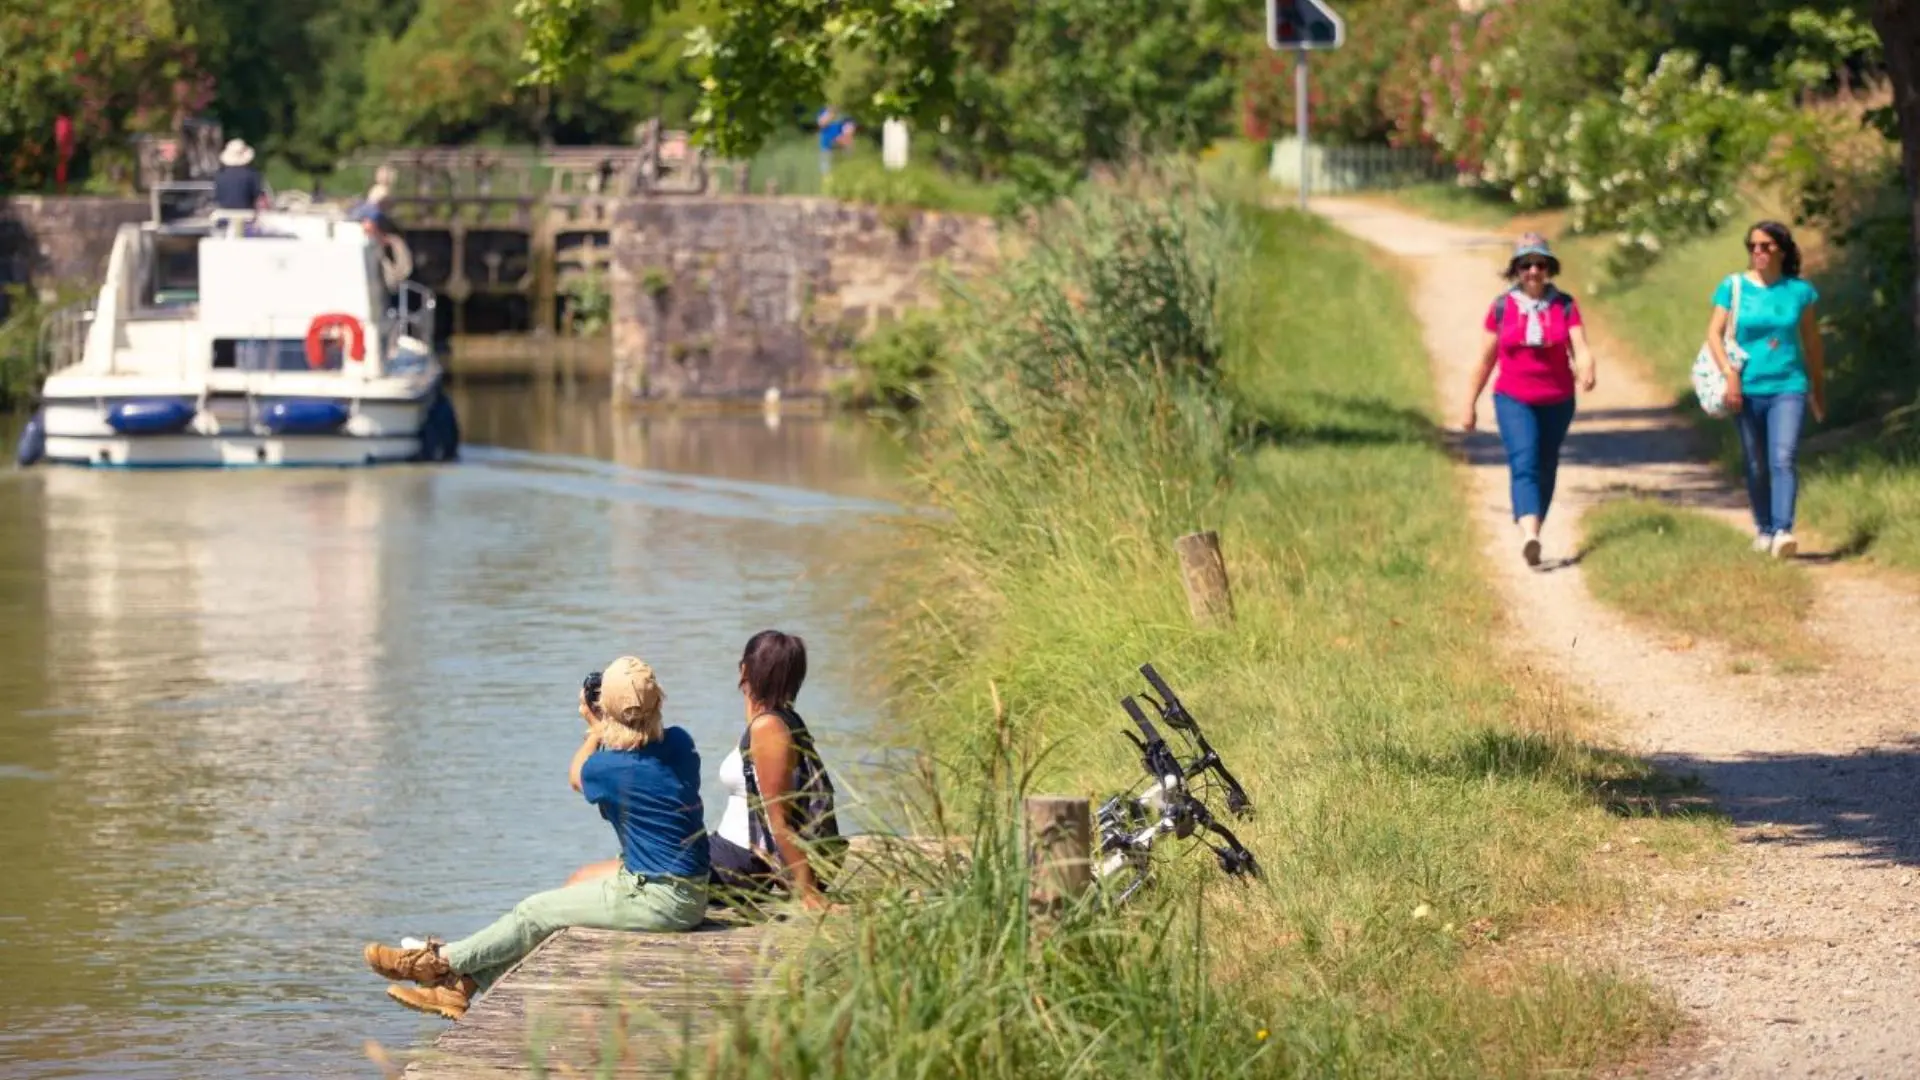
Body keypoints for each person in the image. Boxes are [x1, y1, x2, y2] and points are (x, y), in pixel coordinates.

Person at [361, 657, 710, 1020]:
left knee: (534, 913)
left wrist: (593, 732)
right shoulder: (680, 744)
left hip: (662, 899)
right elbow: (637, 751)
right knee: (566, 894)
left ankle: (437, 961)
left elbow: (578, 775)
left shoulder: (611, 769)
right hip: (677, 886)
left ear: (606, 712)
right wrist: (610, 726)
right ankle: (457, 991)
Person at [1459, 233, 1598, 567]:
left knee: (1546, 463)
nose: (1533, 271)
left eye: (1539, 264)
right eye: (1526, 265)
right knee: (1524, 461)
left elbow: (1580, 346)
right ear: (1516, 270)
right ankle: (1530, 535)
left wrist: (1586, 368)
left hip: (1558, 399)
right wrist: (1469, 403)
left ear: (1548, 267)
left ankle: (1533, 523)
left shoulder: (1564, 305)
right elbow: (1484, 359)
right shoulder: (1501, 308)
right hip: (1513, 398)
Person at [1703, 221, 1826, 559]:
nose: (1758, 252)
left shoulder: (1800, 291)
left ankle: (1783, 530)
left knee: (1782, 457)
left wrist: (1818, 387)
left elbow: (1812, 343)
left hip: (1789, 385)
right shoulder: (1733, 286)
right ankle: (1764, 529)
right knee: (1756, 463)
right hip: (1744, 387)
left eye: (1766, 246)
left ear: (1782, 250)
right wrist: (1729, 374)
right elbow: (1714, 334)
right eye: (1753, 246)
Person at [708, 630, 844, 912]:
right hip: (728, 854)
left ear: (745, 669)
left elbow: (778, 819)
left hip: (738, 865)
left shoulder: (768, 728)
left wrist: (808, 893)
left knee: (633, 869)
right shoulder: (779, 720)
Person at [212, 139, 267, 212]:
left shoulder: (220, 174)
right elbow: (257, 194)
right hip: (247, 212)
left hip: (224, 211)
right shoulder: (252, 173)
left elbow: (217, 195)